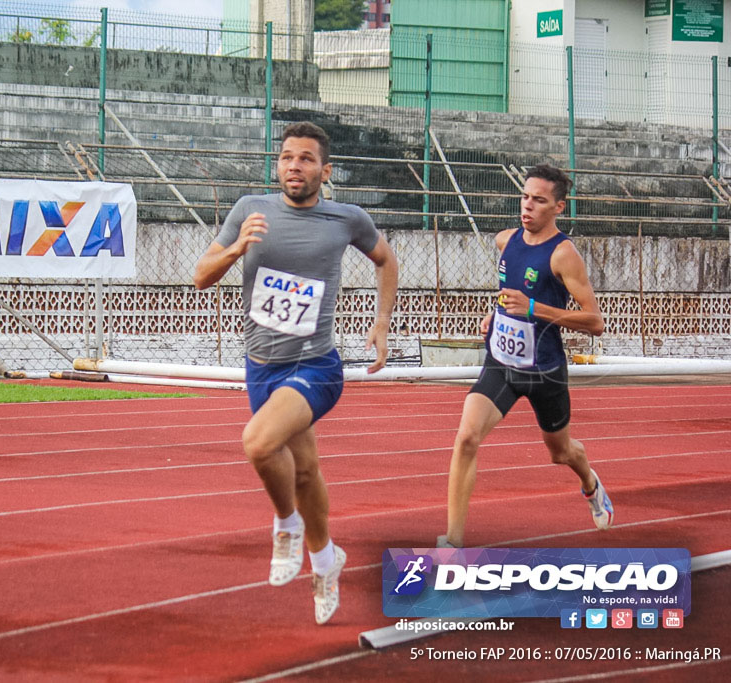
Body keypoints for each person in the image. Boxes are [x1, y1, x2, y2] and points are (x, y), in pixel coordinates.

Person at [193, 121, 398, 624]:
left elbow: (385, 259)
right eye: (287, 157)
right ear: (277, 164)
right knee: (304, 471)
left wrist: (382, 323)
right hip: (261, 366)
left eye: (306, 159)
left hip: (316, 365)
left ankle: (286, 527)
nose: (294, 167)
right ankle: (326, 560)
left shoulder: (345, 218)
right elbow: (200, 275)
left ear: (324, 171)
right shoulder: (249, 210)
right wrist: (237, 248)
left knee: (259, 444)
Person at [437, 164, 612, 549]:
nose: (528, 206)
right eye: (525, 197)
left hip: (544, 370)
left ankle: (590, 483)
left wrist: (534, 308)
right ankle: (452, 543)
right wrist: (496, 312)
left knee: (561, 452)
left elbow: (595, 322)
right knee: (466, 437)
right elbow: (509, 293)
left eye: (539, 200)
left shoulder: (564, 255)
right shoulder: (505, 241)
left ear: (559, 207)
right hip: (500, 362)